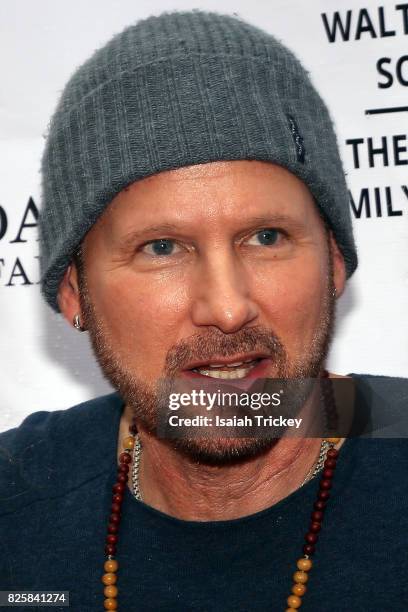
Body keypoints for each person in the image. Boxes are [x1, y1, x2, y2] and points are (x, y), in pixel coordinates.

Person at [0, 10, 407, 612]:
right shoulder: (17, 494)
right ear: (73, 295)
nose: (226, 307)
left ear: (335, 264)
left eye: (266, 237)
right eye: (161, 248)